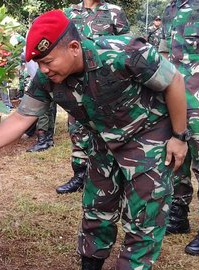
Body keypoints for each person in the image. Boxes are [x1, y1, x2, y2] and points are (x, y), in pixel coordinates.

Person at [0, 10, 187, 269]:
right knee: (97, 210)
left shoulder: (123, 53)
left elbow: (173, 80)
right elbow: (22, 116)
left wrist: (179, 136)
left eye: (48, 61)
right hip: (104, 141)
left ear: (74, 47)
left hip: (148, 137)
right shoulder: (47, 78)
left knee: (144, 218)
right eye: (39, 63)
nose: (43, 69)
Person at [56, 0, 130, 194]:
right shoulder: (69, 14)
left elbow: (126, 47)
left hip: (105, 81)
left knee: (108, 125)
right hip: (77, 82)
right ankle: (79, 174)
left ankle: (114, 173)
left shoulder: (115, 12)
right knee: (77, 126)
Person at [158, 0, 199, 256]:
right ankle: (178, 215)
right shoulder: (170, 9)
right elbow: (164, 55)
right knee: (175, 161)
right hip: (175, 99)